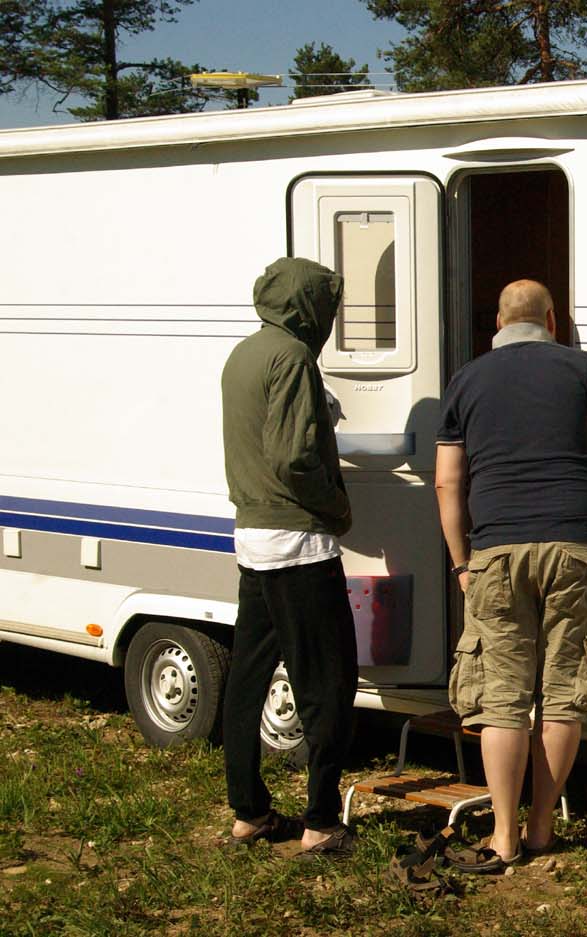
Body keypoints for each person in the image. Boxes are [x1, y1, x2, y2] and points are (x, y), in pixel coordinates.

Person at [435, 278, 587, 872]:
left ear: (497, 324)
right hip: (574, 546)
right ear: (553, 320)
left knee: (503, 697)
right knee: (563, 692)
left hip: (495, 550)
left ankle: (502, 837)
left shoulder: (466, 380)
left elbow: (447, 481)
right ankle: (543, 826)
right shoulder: (583, 368)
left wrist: (461, 563)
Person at [220, 257, 359, 858]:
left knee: (247, 679)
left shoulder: (244, 354)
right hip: (299, 544)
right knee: (328, 682)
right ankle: (321, 821)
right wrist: (338, 506)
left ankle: (248, 813)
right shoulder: (294, 357)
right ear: (310, 307)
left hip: (253, 537)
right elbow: (294, 459)